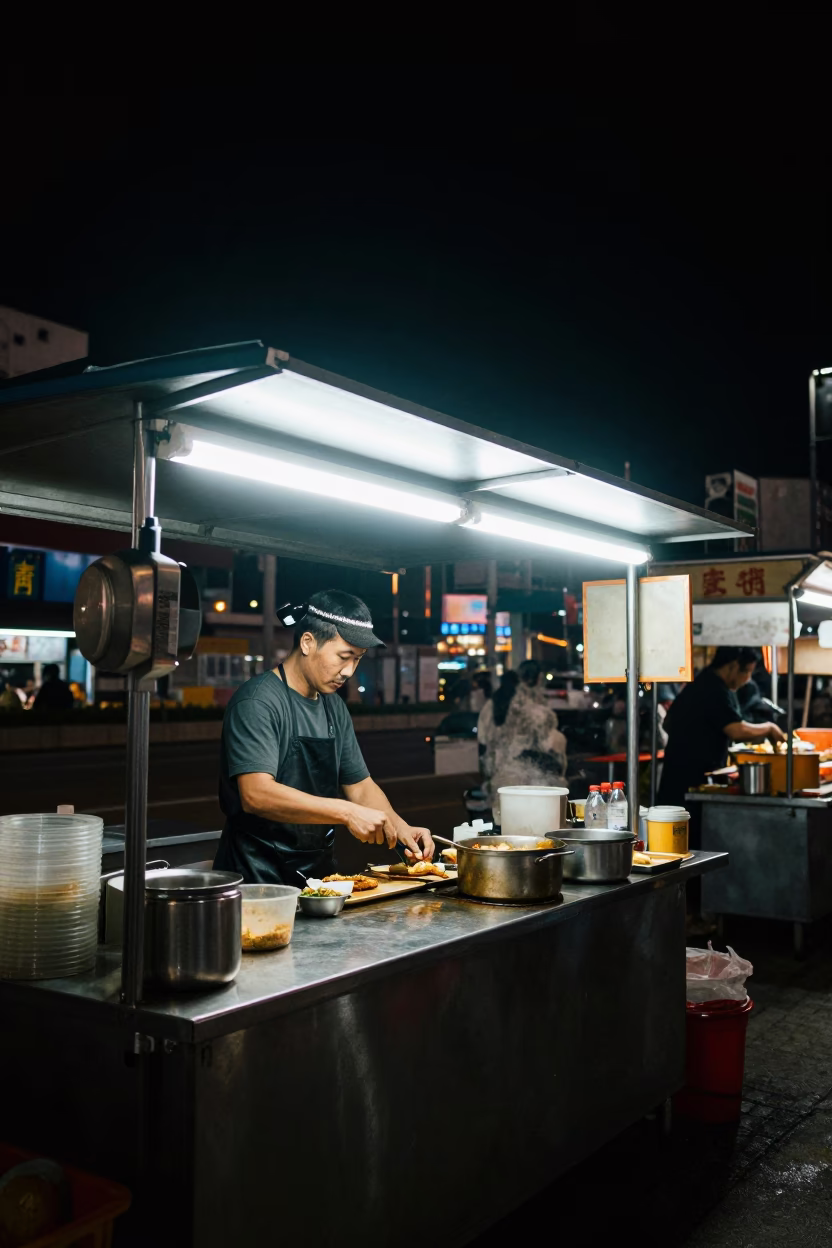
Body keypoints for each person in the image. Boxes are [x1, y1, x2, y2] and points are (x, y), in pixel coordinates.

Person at [214, 588, 435, 886]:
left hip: (316, 874)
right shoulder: (258, 702)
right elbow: (256, 794)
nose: (349, 671)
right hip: (256, 874)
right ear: (307, 642)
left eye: (357, 659)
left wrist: (400, 827)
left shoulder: (333, 705)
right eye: (344, 657)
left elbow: (360, 786)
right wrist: (345, 812)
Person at [657, 646, 787, 807]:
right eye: (746, 672)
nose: (747, 679)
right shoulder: (713, 688)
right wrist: (769, 728)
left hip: (681, 774)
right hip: (690, 779)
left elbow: (668, 722)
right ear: (732, 666)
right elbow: (736, 730)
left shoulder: (706, 682)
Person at [477, 659, 567, 823]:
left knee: (504, 830)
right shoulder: (537, 711)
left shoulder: (492, 703)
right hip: (528, 781)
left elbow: (482, 739)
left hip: (497, 777)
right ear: (538, 679)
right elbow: (550, 744)